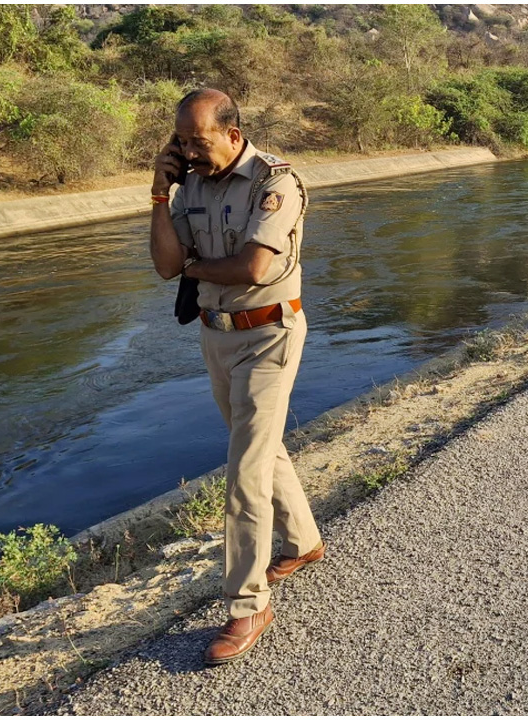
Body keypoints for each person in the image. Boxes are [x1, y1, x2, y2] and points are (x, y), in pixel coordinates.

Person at [149, 88, 322, 666]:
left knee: (244, 469)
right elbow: (163, 263)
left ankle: (248, 604)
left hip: (270, 332)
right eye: (181, 142)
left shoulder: (277, 183)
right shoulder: (189, 186)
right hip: (216, 334)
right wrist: (157, 192)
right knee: (260, 448)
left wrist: (192, 267)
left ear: (231, 131)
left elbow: (253, 267)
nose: (189, 151)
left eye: (198, 141)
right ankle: (303, 542)